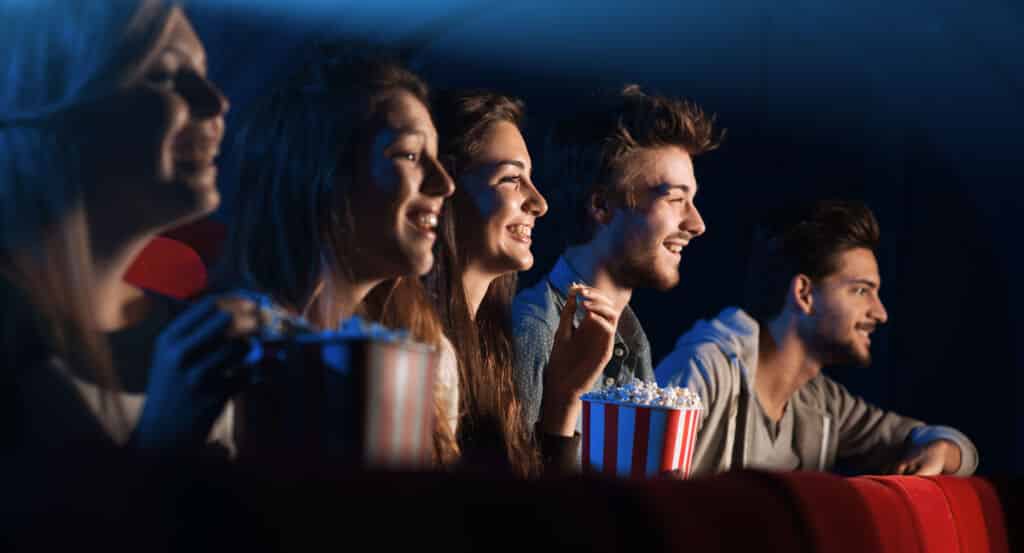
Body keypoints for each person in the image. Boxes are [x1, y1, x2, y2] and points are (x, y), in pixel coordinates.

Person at [0, 0, 251, 457]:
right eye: (163, 75)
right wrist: (164, 445)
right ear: (52, 110)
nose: (217, 101)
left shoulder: (188, 339)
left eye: (202, 72)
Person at [217, 48, 459, 462]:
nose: (444, 184)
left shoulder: (429, 349)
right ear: (321, 171)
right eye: (410, 155)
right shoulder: (227, 348)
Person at [655, 200, 978, 476]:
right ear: (804, 294)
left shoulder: (823, 401)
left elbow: (933, 440)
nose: (880, 313)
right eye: (861, 290)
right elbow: (634, 497)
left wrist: (945, 450)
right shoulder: (704, 369)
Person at [429, 90, 621, 474]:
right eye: (512, 179)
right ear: (444, 187)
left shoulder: (492, 342)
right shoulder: (418, 344)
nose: (539, 202)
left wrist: (563, 397)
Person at [512, 85, 721, 436]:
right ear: (601, 206)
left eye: (693, 200)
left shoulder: (634, 342)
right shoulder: (534, 330)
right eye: (674, 200)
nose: (696, 224)